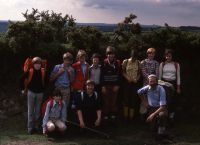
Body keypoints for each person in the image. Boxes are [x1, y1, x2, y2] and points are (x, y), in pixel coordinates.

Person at [23, 57, 46, 134]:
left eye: (39, 63)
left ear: (41, 64)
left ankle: (36, 127)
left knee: (37, 111)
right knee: (30, 111)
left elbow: (46, 81)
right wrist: (23, 89)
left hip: (40, 93)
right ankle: (30, 128)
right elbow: (22, 79)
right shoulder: (30, 71)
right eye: (36, 63)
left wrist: (44, 89)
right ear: (33, 64)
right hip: (31, 92)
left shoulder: (43, 71)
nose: (37, 65)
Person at [159, 49, 181, 123]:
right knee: (165, 101)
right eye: (167, 56)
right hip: (164, 83)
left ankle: (171, 117)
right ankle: (164, 117)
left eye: (170, 56)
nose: (168, 57)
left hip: (173, 83)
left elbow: (178, 76)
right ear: (165, 56)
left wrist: (178, 87)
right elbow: (159, 77)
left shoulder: (176, 64)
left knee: (173, 101)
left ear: (172, 56)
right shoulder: (162, 64)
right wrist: (159, 86)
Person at [101, 46, 121, 120]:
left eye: (112, 54)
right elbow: (101, 75)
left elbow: (120, 75)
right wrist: (102, 86)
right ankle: (106, 117)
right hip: (106, 86)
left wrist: (118, 85)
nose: (110, 55)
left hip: (114, 86)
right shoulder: (103, 63)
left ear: (114, 54)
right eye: (109, 54)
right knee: (106, 102)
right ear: (106, 55)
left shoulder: (118, 63)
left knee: (113, 102)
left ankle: (113, 116)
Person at [122, 49, 141, 121]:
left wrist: (137, 79)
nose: (134, 59)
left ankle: (131, 117)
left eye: (135, 57)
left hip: (135, 83)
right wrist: (127, 78)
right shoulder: (125, 61)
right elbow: (123, 72)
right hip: (127, 83)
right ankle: (125, 117)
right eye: (133, 57)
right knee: (126, 99)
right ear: (131, 55)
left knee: (133, 100)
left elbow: (139, 73)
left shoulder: (138, 63)